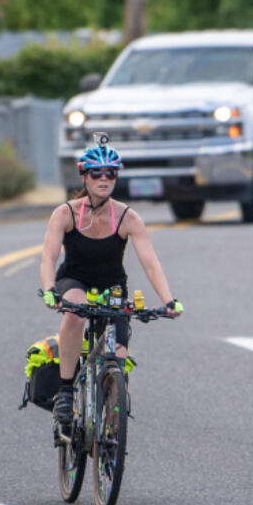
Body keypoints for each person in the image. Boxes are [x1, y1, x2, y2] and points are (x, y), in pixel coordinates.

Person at [39, 134, 182, 436]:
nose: (104, 179)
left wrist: (169, 300)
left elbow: (151, 262)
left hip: (112, 288)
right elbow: (49, 257)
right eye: (97, 173)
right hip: (74, 280)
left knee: (117, 357)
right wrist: (51, 290)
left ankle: (110, 431)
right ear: (84, 175)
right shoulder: (65, 214)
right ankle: (66, 393)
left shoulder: (128, 217)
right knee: (76, 314)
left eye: (111, 173)